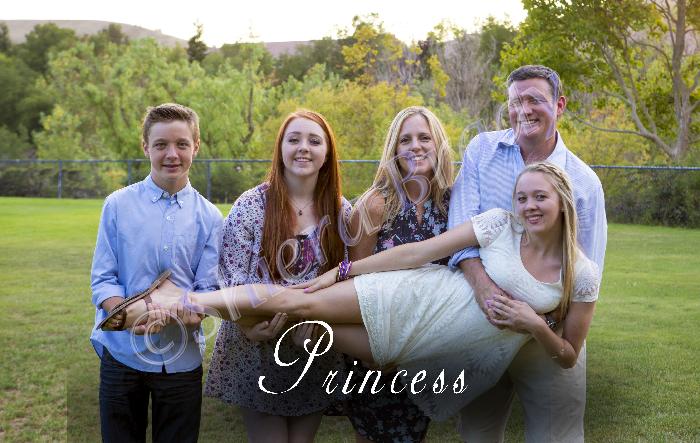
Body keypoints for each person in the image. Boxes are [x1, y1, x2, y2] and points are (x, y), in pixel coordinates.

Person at [111, 162, 600, 424]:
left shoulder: (581, 274)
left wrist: (534, 324)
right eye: (522, 197)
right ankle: (179, 302)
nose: (529, 206)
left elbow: (567, 355)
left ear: (562, 202)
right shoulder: (498, 225)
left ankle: (200, 309)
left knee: (305, 328)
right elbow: (417, 253)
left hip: (429, 345)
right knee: (297, 299)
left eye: (540, 197)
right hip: (412, 298)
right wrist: (342, 270)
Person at [449, 64, 607, 442]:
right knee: (477, 433)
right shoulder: (482, 150)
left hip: (549, 335)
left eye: (535, 99)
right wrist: (484, 289)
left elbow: (587, 271)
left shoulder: (584, 182)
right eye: (515, 102)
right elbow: (460, 232)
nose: (523, 110)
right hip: (482, 322)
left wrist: (540, 322)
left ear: (560, 105)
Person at [203, 109, 351, 442]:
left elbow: (349, 279)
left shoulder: (342, 211)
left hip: (313, 351)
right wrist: (247, 325)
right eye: (294, 139)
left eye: (314, 141)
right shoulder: (251, 206)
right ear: (280, 148)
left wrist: (316, 327)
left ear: (327, 152)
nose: (304, 148)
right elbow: (230, 281)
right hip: (255, 348)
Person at [90, 103, 223, 443]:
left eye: (182, 144)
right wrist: (127, 315)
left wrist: (192, 312)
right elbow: (104, 279)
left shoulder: (210, 217)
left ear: (196, 146)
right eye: (161, 144)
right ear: (145, 147)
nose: (172, 154)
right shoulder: (117, 205)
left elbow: (207, 290)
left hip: (181, 359)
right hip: (122, 354)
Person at [341, 106, 453, 443]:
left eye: (424, 138)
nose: (415, 146)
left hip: (425, 351)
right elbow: (353, 285)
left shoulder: (451, 204)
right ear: (394, 149)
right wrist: (376, 350)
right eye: (406, 140)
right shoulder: (375, 205)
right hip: (377, 350)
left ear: (438, 144)